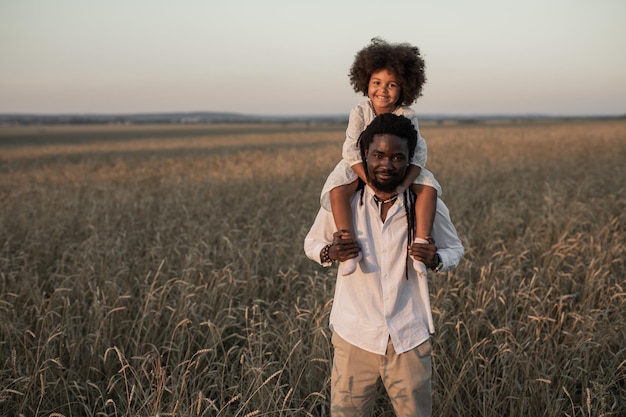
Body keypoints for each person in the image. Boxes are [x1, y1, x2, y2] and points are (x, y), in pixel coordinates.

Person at [305, 113, 464, 417]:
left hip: (409, 336)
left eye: (397, 157)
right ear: (364, 154)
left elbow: (455, 248)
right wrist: (330, 252)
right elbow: (311, 244)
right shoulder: (347, 201)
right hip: (354, 336)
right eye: (378, 155)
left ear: (409, 160)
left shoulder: (422, 204)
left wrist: (436, 259)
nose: (386, 164)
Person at [321, 38, 441, 277]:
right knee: (337, 188)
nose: (382, 90)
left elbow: (418, 154)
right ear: (365, 83)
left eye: (392, 85)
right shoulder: (360, 112)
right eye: (376, 82)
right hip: (359, 165)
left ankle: (421, 245)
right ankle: (347, 248)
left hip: (399, 167)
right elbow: (350, 151)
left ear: (405, 88)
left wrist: (401, 186)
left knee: (429, 187)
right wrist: (371, 182)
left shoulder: (407, 115)